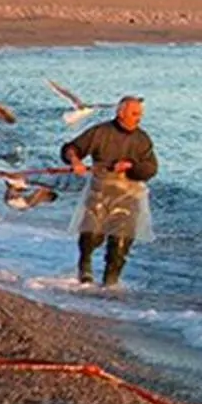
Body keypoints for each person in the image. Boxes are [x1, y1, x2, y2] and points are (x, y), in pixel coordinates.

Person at [61, 96, 158, 286]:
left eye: (140, 114)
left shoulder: (143, 139)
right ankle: (85, 267)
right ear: (120, 113)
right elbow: (71, 148)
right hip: (99, 192)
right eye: (134, 114)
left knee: (120, 244)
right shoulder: (100, 132)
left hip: (129, 196)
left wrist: (132, 166)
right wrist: (75, 161)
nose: (138, 118)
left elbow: (151, 168)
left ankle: (111, 284)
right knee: (92, 235)